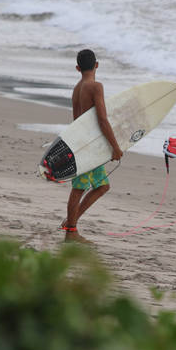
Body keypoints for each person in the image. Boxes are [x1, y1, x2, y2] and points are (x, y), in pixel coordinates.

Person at [62, 49, 123, 239]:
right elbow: (102, 120)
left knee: (102, 186)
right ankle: (71, 230)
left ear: (77, 68)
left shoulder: (77, 88)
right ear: (97, 65)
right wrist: (115, 147)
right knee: (79, 188)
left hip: (80, 141)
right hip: (88, 146)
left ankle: (70, 222)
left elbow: (76, 121)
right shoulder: (95, 87)